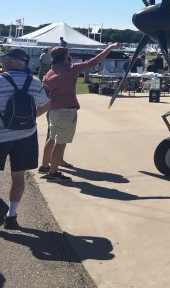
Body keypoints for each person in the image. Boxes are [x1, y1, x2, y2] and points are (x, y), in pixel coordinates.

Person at [40, 43, 122, 182]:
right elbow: (95, 61)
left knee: (52, 138)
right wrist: (110, 48)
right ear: (65, 56)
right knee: (60, 142)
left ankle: (44, 166)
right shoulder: (70, 69)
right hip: (66, 110)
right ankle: (53, 173)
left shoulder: (49, 72)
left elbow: (45, 92)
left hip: (53, 110)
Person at [0, 48, 50, 229]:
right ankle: (11, 216)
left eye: (4, 59)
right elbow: (45, 105)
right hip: (26, 135)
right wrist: (27, 119)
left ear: (10, 62)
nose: (2, 62)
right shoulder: (34, 82)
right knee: (18, 176)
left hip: (1, 136)